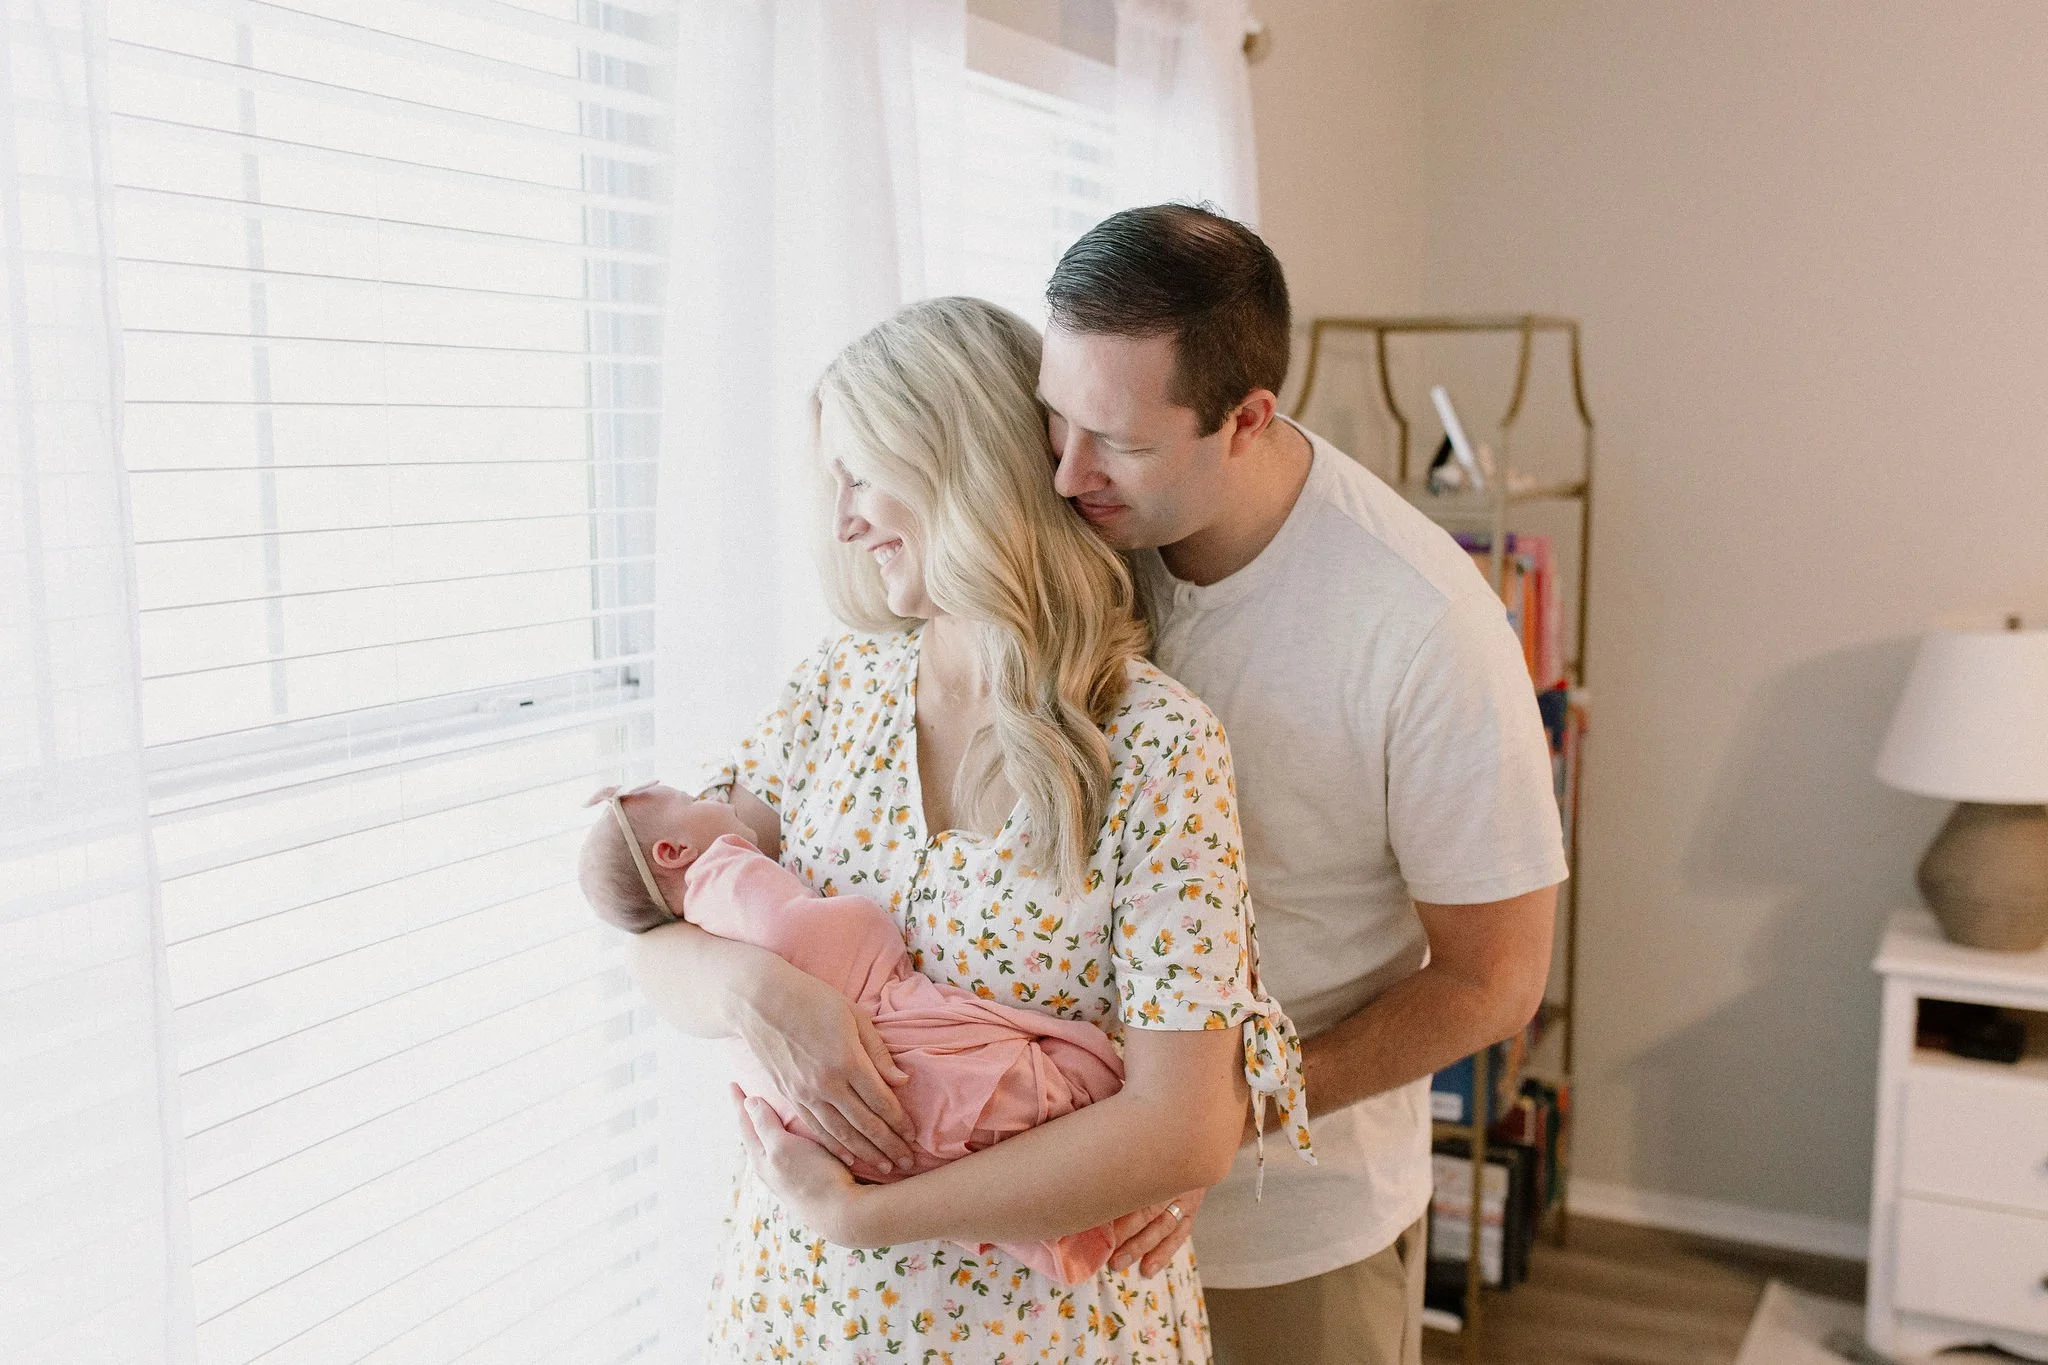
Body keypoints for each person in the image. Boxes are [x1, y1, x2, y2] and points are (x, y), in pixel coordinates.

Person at [624, 295, 1311, 1364]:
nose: (845, 517)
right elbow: (656, 925)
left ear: (959, 464)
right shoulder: (834, 692)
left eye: (863, 473)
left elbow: (1179, 1127)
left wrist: (862, 1216)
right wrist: (757, 995)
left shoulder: (1154, 746)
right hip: (797, 1320)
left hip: (1046, 1335)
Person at [1035, 205, 1567, 1365]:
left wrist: (1210, 1129)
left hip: (1285, 1236)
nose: (1068, 471)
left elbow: (1492, 981)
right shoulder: (1070, 532)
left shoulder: (1418, 624)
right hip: (1047, 1222)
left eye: (1115, 440)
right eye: (1054, 417)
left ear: (1246, 418)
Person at [575, 779, 1126, 1282]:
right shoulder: (724, 870)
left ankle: (1072, 1222)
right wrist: (782, 972)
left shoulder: (708, 896)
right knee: (1033, 1094)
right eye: (697, 802)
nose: (717, 799)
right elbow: (787, 932)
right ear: (673, 852)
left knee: (960, 1138)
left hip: (830, 1163)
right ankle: (1096, 1199)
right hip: (869, 1087)